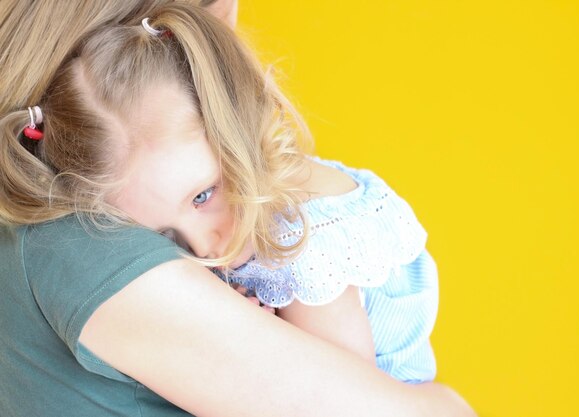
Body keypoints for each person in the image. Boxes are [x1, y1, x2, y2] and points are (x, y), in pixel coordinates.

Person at [0, 1, 476, 416]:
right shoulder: (230, 217)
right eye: (167, 236)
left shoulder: (304, 245)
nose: (206, 247)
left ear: (235, 123)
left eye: (204, 196)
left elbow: (347, 394)